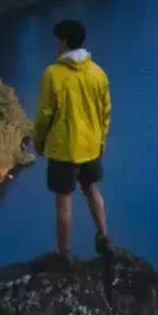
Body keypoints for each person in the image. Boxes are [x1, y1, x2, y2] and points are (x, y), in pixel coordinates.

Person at [33, 18, 112, 262]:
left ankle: (64, 253)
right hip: (90, 146)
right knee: (91, 190)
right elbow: (105, 112)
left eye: (58, 39)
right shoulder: (97, 72)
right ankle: (103, 235)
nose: (56, 44)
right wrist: (101, 142)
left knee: (64, 203)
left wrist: (39, 142)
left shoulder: (53, 74)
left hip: (64, 149)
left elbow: (45, 114)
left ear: (65, 41)